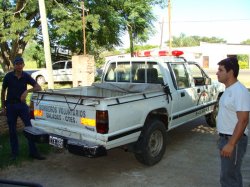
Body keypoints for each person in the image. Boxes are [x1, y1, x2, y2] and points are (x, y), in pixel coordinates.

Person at [1, 57, 45, 160]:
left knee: (30, 128)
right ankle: (14, 154)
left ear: (23, 65)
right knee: (12, 131)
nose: (19, 65)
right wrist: (3, 107)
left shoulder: (26, 76)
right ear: (14, 66)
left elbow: (38, 87)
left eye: (21, 63)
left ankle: (33, 152)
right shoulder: (8, 76)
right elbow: (3, 91)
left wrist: (27, 91)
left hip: (22, 106)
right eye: (17, 64)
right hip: (11, 106)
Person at [216, 57, 250, 187]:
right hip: (226, 138)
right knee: (227, 175)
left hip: (234, 141)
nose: (217, 73)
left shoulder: (239, 91)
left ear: (230, 72)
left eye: (220, 70)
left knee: (230, 178)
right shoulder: (229, 90)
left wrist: (231, 144)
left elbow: (243, 120)